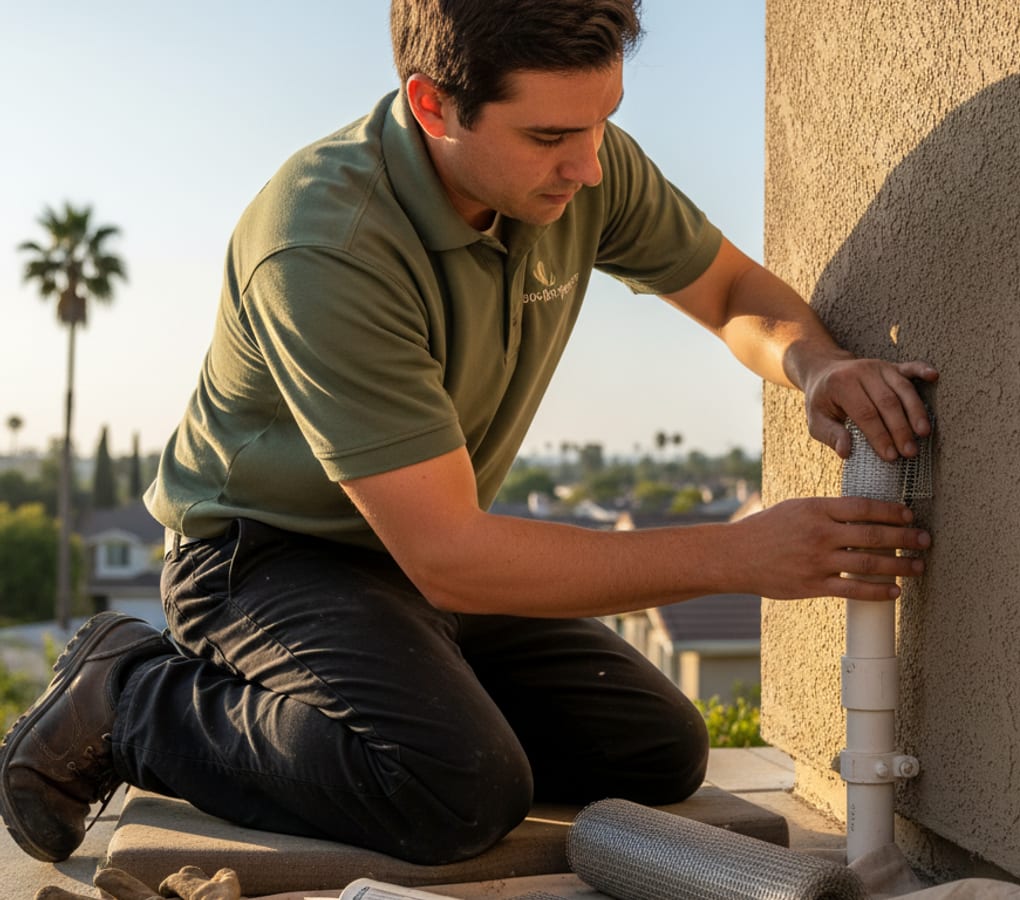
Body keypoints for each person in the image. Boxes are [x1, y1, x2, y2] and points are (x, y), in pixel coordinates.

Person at [0, 0, 936, 867]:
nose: (591, 165)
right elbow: (451, 556)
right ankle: (128, 694)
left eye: (603, 119)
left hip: (421, 557)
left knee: (654, 752)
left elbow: (731, 292)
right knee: (455, 788)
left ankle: (402, 697)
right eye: (551, 135)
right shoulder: (325, 244)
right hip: (265, 558)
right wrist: (741, 555)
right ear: (432, 104)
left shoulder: (581, 165)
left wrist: (816, 361)